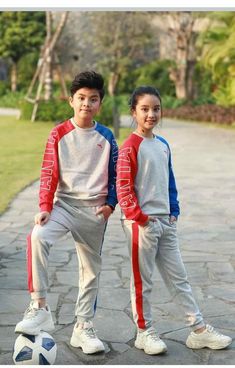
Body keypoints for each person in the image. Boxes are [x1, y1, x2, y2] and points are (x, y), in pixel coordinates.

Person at [116, 85, 232, 355]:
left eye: (156, 109)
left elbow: (169, 181)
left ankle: (199, 330)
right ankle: (144, 333)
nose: (151, 114)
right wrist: (141, 219)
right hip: (141, 225)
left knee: (179, 278)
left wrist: (174, 211)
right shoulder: (129, 147)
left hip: (165, 223)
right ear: (134, 112)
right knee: (142, 282)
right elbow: (123, 188)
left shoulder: (162, 144)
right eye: (144, 109)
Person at [15, 70, 118, 354]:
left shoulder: (107, 136)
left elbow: (116, 175)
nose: (87, 103)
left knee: (90, 271)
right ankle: (39, 307)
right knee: (38, 236)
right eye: (81, 98)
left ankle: (83, 328)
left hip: (94, 211)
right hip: (63, 206)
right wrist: (45, 207)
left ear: (100, 103)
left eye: (93, 99)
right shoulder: (58, 133)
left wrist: (110, 204)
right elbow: (48, 172)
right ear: (71, 100)